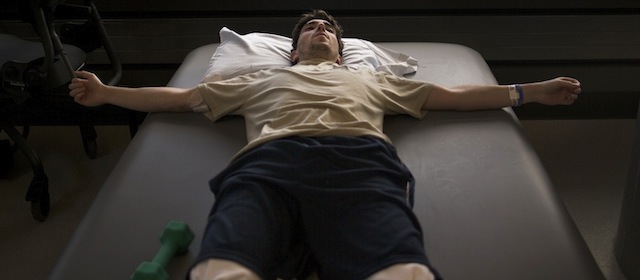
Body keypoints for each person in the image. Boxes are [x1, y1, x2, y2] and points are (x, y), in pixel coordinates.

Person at [68, 10, 581, 280]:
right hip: (266, 166)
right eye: (311, 28)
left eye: (328, 30)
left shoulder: (370, 79)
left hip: (357, 163)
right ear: (292, 51)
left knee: (403, 273)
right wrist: (107, 94)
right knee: (219, 271)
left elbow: (455, 95)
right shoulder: (256, 80)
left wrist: (529, 92)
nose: (320, 31)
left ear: (340, 50)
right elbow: (178, 100)